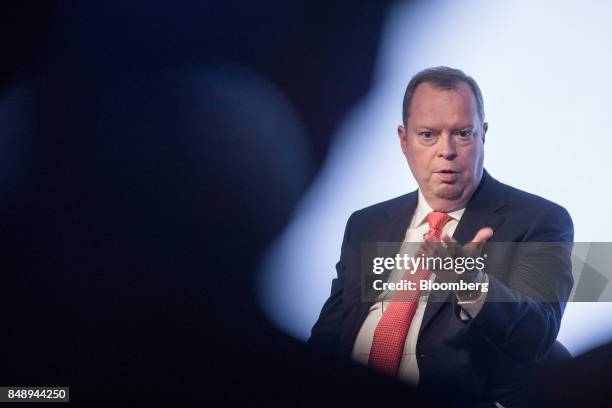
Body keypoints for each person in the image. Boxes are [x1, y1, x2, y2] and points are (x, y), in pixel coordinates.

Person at [308, 66, 574, 407]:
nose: (446, 150)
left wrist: (470, 283)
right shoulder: (367, 223)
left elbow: (537, 335)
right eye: (428, 135)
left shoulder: (539, 221)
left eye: (462, 133)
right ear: (404, 141)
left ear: (483, 135)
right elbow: (330, 334)